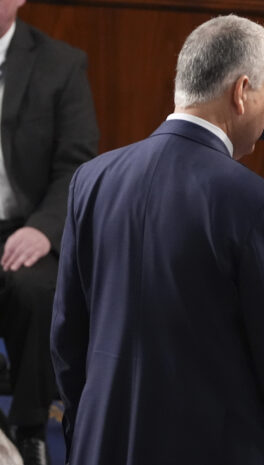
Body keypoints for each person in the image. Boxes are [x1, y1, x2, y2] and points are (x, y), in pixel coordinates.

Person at [50, 14, 264, 465]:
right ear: (240, 92)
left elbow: (67, 340)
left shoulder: (91, 180)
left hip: (101, 443)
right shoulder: (256, 204)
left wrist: (86, 436)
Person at [0, 1, 99, 464]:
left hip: (30, 220)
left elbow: (76, 162)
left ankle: (29, 424)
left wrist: (43, 229)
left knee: (36, 286)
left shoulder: (60, 62)